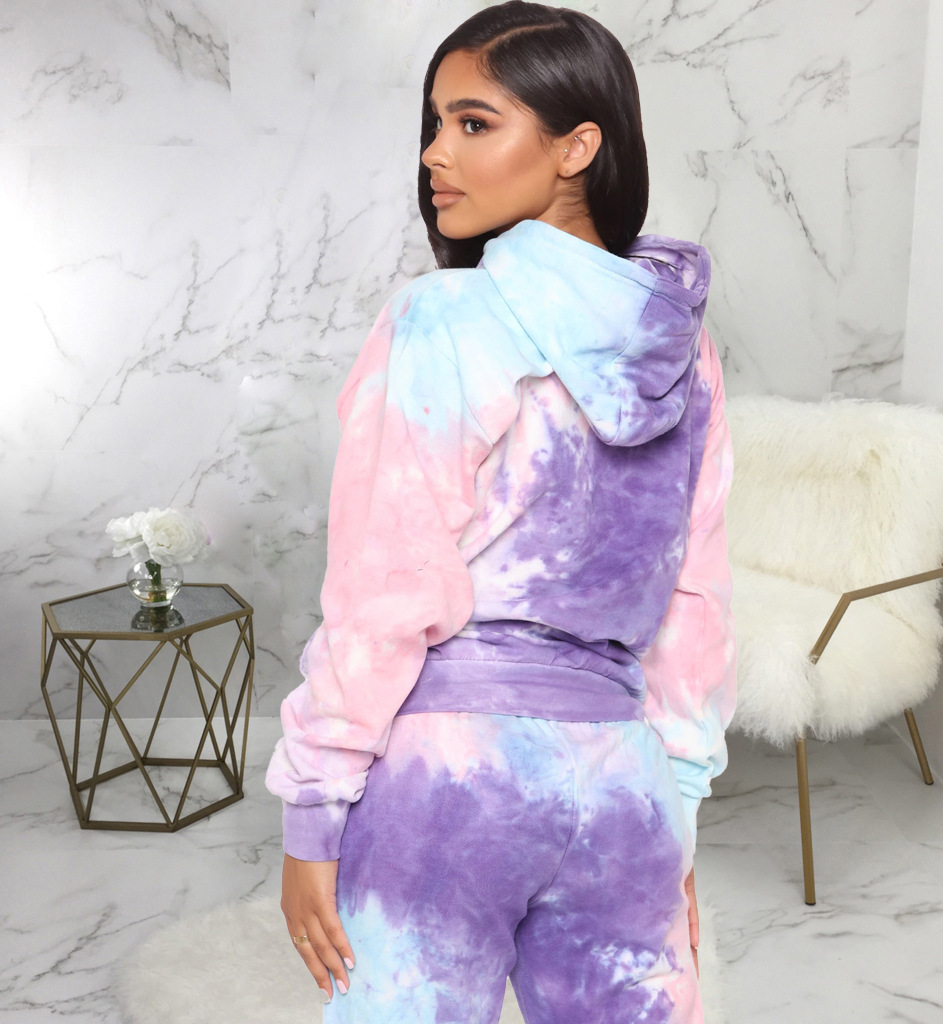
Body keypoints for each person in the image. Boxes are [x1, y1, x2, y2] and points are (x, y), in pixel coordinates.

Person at [265, 3, 736, 1022]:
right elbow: (695, 597)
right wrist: (678, 808)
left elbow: (384, 587)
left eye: (474, 123)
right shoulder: (683, 348)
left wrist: (314, 805)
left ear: (577, 147)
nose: (435, 154)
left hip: (446, 784)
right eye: (435, 123)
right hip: (624, 778)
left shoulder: (441, 318)